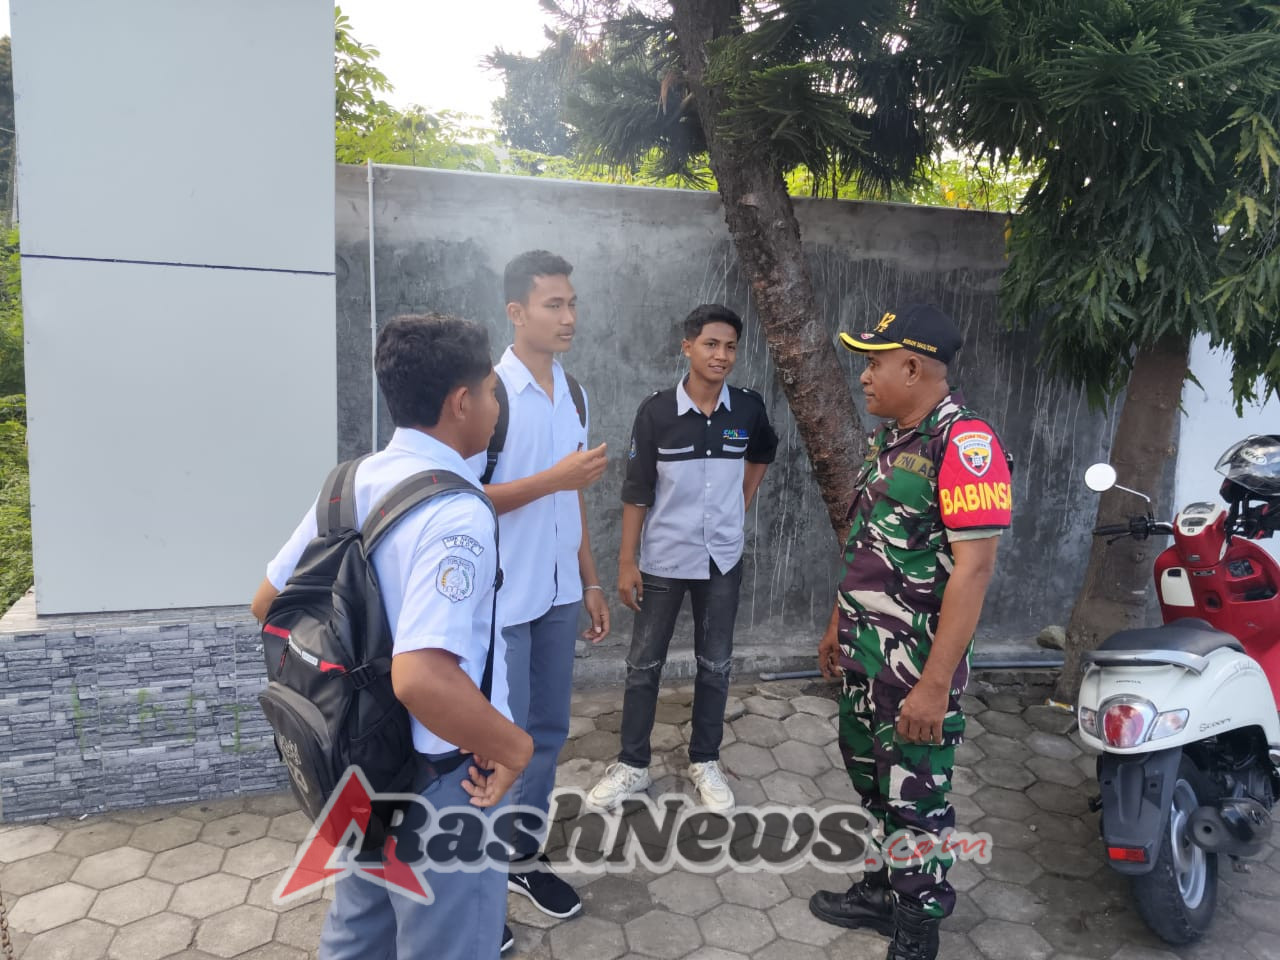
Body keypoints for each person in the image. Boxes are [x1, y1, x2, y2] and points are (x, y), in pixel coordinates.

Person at [249, 313, 533, 960]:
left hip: (359, 763)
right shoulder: (457, 511)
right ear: (462, 403)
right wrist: (513, 748)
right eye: (491, 392)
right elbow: (421, 677)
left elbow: (267, 603)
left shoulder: (348, 485)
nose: (495, 406)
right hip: (442, 784)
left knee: (360, 934)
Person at [809, 304, 1012, 960]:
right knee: (872, 783)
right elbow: (871, 543)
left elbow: (974, 572)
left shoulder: (966, 445)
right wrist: (838, 624)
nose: (864, 376)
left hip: (914, 671)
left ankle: (918, 929)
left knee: (917, 799)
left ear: (913, 366)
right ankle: (881, 890)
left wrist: (934, 686)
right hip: (867, 658)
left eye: (874, 363)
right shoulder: (896, 438)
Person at [586, 303, 778, 813]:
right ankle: (632, 763)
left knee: (715, 663)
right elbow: (636, 489)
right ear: (687, 347)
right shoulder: (656, 413)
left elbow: (762, 452)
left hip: (722, 560)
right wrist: (627, 562)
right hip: (665, 559)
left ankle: (705, 760)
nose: (721, 355)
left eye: (731, 346)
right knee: (643, 663)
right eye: (711, 344)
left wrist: (740, 502)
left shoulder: (748, 409)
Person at [465, 250, 610, 925]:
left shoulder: (576, 391)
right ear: (515, 311)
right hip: (499, 602)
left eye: (572, 303)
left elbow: (571, 500)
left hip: (556, 597)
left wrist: (589, 579)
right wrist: (556, 479)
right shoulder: (484, 397)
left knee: (548, 733)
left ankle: (522, 857)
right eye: (554, 304)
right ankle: (478, 886)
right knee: (498, 742)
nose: (569, 317)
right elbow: (461, 500)